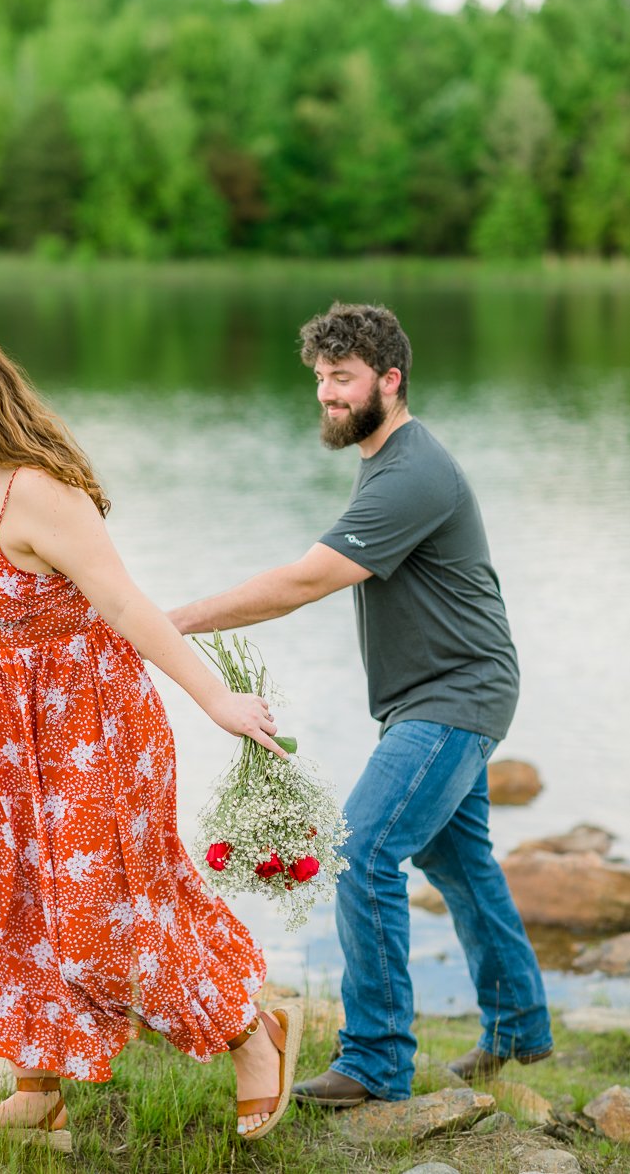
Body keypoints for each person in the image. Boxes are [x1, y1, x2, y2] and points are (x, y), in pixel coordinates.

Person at [0, 320, 303, 1148]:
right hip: (1, 733)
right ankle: (37, 1091)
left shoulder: (38, 490)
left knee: (100, 922)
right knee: (5, 906)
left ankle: (253, 1034)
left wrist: (216, 699)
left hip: (94, 728)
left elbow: (123, 607)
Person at [168, 302, 552, 1106]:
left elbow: (304, 582)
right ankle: (518, 1028)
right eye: (319, 380)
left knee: (364, 851)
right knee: (459, 860)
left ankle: (375, 1061)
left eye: (341, 380)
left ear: (389, 379)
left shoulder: (413, 470)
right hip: (444, 691)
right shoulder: (384, 457)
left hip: (454, 695)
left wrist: (170, 621)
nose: (327, 396)